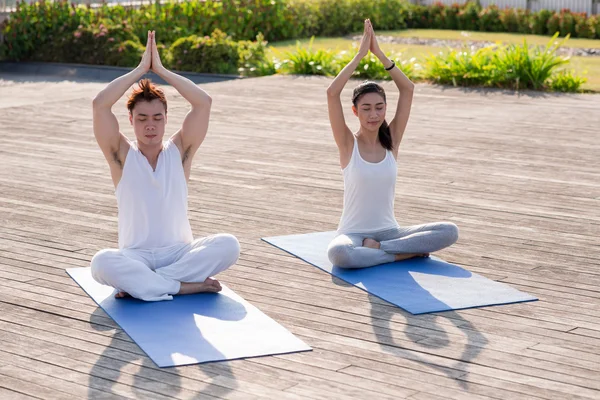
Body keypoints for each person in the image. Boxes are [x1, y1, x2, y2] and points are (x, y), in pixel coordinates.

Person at [90, 31, 240, 301]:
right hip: (136, 256)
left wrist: (161, 70)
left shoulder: (180, 151)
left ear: (166, 118)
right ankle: (181, 286)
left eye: (158, 118)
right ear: (131, 120)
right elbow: (100, 105)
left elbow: (203, 102)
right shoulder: (121, 155)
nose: (150, 125)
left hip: (179, 253)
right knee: (101, 263)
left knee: (229, 245)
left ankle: (149, 285)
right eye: (143, 118)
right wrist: (139, 70)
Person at [326, 20, 458, 269]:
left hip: (389, 233)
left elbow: (407, 89)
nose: (373, 114)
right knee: (340, 254)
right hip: (353, 234)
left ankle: (381, 252)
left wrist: (381, 55)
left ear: (386, 109)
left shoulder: (392, 142)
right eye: (366, 108)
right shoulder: (348, 145)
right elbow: (332, 93)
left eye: (379, 107)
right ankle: (402, 255)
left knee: (449, 231)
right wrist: (359, 55)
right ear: (355, 111)